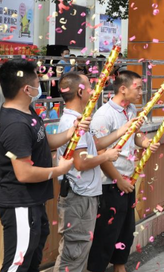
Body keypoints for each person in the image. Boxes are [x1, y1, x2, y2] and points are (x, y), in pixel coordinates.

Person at [0, 59, 81, 272]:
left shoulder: (27, 112)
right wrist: (60, 170)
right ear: (26, 89)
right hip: (20, 203)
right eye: (37, 81)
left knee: (32, 260)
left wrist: (71, 133)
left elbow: (43, 142)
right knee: (17, 264)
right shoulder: (16, 125)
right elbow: (24, 173)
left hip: (32, 201)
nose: (40, 85)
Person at [88, 70, 159, 272]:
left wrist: (145, 143)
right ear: (122, 89)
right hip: (110, 182)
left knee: (125, 229)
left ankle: (120, 266)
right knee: (106, 232)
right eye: (138, 88)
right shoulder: (104, 115)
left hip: (128, 178)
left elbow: (134, 136)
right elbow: (100, 151)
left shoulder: (132, 109)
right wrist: (118, 179)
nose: (141, 92)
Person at [54, 73, 125, 272]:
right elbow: (81, 162)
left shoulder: (80, 120)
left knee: (80, 249)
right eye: (90, 87)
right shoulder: (71, 122)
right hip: (78, 196)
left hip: (85, 195)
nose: (94, 92)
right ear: (80, 91)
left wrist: (123, 130)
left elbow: (94, 146)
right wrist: (106, 156)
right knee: (73, 253)